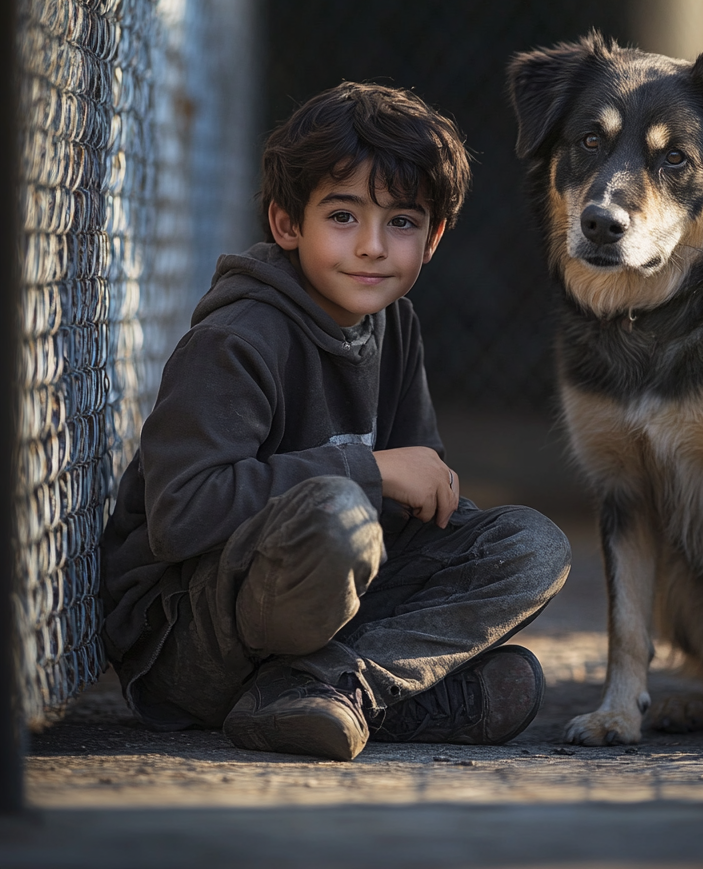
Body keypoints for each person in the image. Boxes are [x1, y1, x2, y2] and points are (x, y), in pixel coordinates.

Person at [100, 82, 571, 761]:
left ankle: (323, 687)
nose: (373, 247)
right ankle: (349, 686)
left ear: (433, 237)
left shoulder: (393, 325)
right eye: (344, 216)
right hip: (190, 641)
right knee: (338, 516)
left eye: (402, 222)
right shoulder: (237, 339)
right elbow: (181, 513)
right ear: (288, 224)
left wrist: (439, 521)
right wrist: (370, 471)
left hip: (326, 603)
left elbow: (415, 512)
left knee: (534, 546)